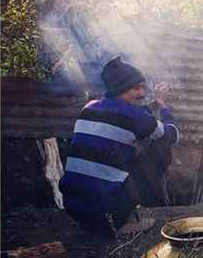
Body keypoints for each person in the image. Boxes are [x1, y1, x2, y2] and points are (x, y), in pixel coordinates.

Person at [59, 57, 180, 235]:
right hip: (106, 208)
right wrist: (163, 106)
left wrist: (150, 105)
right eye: (136, 88)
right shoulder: (134, 116)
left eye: (142, 88)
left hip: (73, 205)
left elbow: (127, 114)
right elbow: (171, 135)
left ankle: (97, 222)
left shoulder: (90, 107)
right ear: (120, 89)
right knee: (156, 149)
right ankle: (120, 224)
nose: (141, 93)